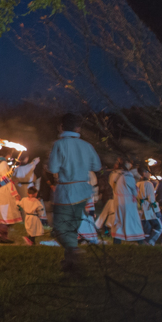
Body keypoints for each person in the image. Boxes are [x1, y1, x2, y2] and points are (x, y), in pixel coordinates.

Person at [46, 113, 102, 272]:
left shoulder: (59, 144)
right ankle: (70, 262)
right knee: (72, 226)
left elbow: (53, 168)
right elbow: (97, 166)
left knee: (60, 227)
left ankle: (74, 251)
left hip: (66, 190)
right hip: (83, 191)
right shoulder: (87, 145)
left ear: (61, 126)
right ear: (78, 128)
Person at [0, 154, 21, 243]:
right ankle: (1, 235)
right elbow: (6, 179)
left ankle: (3, 237)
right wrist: (15, 193)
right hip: (5, 193)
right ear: (8, 154)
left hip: (0, 192)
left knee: (4, 217)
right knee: (6, 217)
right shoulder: (3, 163)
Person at [136, 165, 162, 246]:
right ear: (144, 173)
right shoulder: (149, 184)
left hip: (140, 208)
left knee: (146, 228)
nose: (150, 174)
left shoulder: (137, 183)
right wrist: (157, 211)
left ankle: (144, 244)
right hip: (149, 209)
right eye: (149, 172)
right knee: (159, 227)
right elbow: (152, 199)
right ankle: (149, 242)